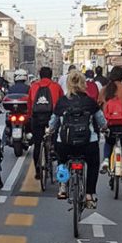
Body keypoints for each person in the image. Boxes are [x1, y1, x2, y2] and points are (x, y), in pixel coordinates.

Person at [48, 71, 107, 207]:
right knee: (93, 164)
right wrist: (105, 128)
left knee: (61, 159)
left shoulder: (62, 102)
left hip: (65, 143)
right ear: (83, 84)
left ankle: (62, 186)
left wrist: (50, 130)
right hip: (87, 144)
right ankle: (89, 194)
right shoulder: (90, 101)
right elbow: (101, 121)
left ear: (68, 84)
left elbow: (53, 122)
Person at [27, 66, 64, 179]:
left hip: (37, 118)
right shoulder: (56, 86)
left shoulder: (33, 86)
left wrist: (30, 118)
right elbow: (61, 104)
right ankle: (53, 151)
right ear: (51, 75)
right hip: (51, 118)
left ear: (40, 75)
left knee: (37, 144)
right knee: (56, 141)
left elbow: (29, 105)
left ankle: (38, 171)